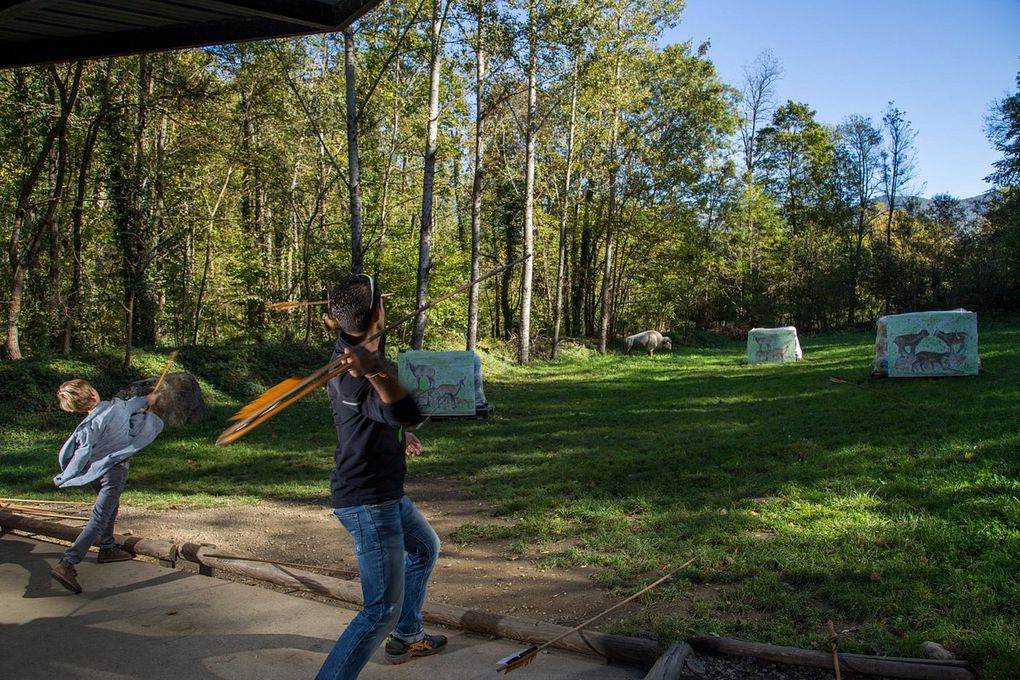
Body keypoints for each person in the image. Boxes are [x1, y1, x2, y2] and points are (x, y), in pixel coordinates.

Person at [316, 273, 446, 680]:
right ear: (377, 313)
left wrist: (398, 438)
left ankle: (408, 635)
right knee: (378, 612)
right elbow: (407, 412)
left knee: (425, 548)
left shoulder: (358, 353)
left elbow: (383, 420)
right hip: (368, 502)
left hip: (383, 492)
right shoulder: (353, 373)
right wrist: (377, 373)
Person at [50, 379, 163, 594]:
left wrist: (63, 477)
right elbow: (136, 403)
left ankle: (108, 547)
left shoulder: (89, 425)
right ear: (93, 394)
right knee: (99, 517)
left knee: (110, 507)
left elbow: (79, 458)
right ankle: (68, 563)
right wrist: (151, 398)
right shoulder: (118, 408)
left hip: (95, 473)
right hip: (114, 471)